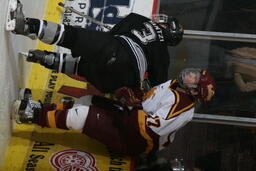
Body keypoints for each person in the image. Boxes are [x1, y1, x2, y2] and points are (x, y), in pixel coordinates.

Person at [12, 68, 216, 156]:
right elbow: (148, 104)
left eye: (196, 78)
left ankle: (29, 115)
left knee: (82, 116)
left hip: (135, 140)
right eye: (196, 73)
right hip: (132, 121)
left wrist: (133, 104)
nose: (191, 74)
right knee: (88, 101)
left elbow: (148, 131)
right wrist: (136, 97)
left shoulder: (183, 107)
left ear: (194, 90)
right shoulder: (175, 84)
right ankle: (39, 109)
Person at [10, 0, 183, 93]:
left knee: (72, 36)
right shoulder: (163, 57)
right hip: (116, 82)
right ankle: (41, 58)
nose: (162, 21)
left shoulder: (143, 20)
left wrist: (104, 44)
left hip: (118, 52)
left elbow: (119, 29)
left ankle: (26, 26)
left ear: (167, 30)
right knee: (83, 67)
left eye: (166, 24)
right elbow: (156, 88)